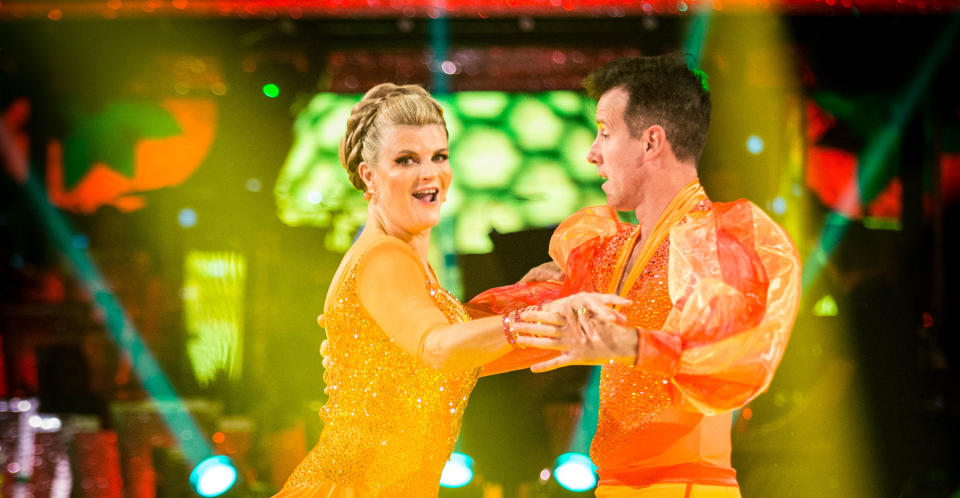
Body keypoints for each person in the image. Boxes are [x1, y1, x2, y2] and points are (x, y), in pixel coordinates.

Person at [471, 54, 802, 497]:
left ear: (651, 143)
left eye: (605, 133)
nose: (592, 153)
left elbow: (734, 352)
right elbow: (491, 324)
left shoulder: (716, 237)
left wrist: (629, 344)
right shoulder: (608, 252)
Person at [274, 83, 627, 498]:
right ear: (369, 175)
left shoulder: (402, 258)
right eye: (406, 160)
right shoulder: (384, 257)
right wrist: (532, 317)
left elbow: (451, 357)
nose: (430, 174)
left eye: (438, 156)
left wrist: (541, 296)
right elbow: (439, 347)